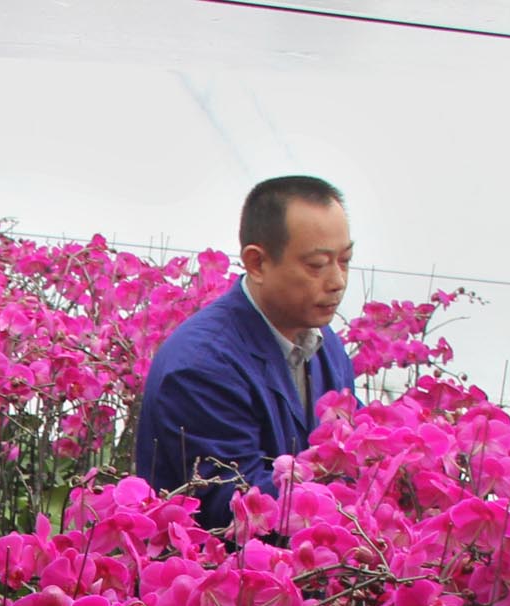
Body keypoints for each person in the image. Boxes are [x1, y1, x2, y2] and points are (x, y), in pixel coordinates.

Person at [132, 176, 359, 533]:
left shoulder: (326, 345)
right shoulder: (202, 366)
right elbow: (233, 509)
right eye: (317, 265)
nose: (337, 281)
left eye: (344, 260)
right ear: (257, 263)